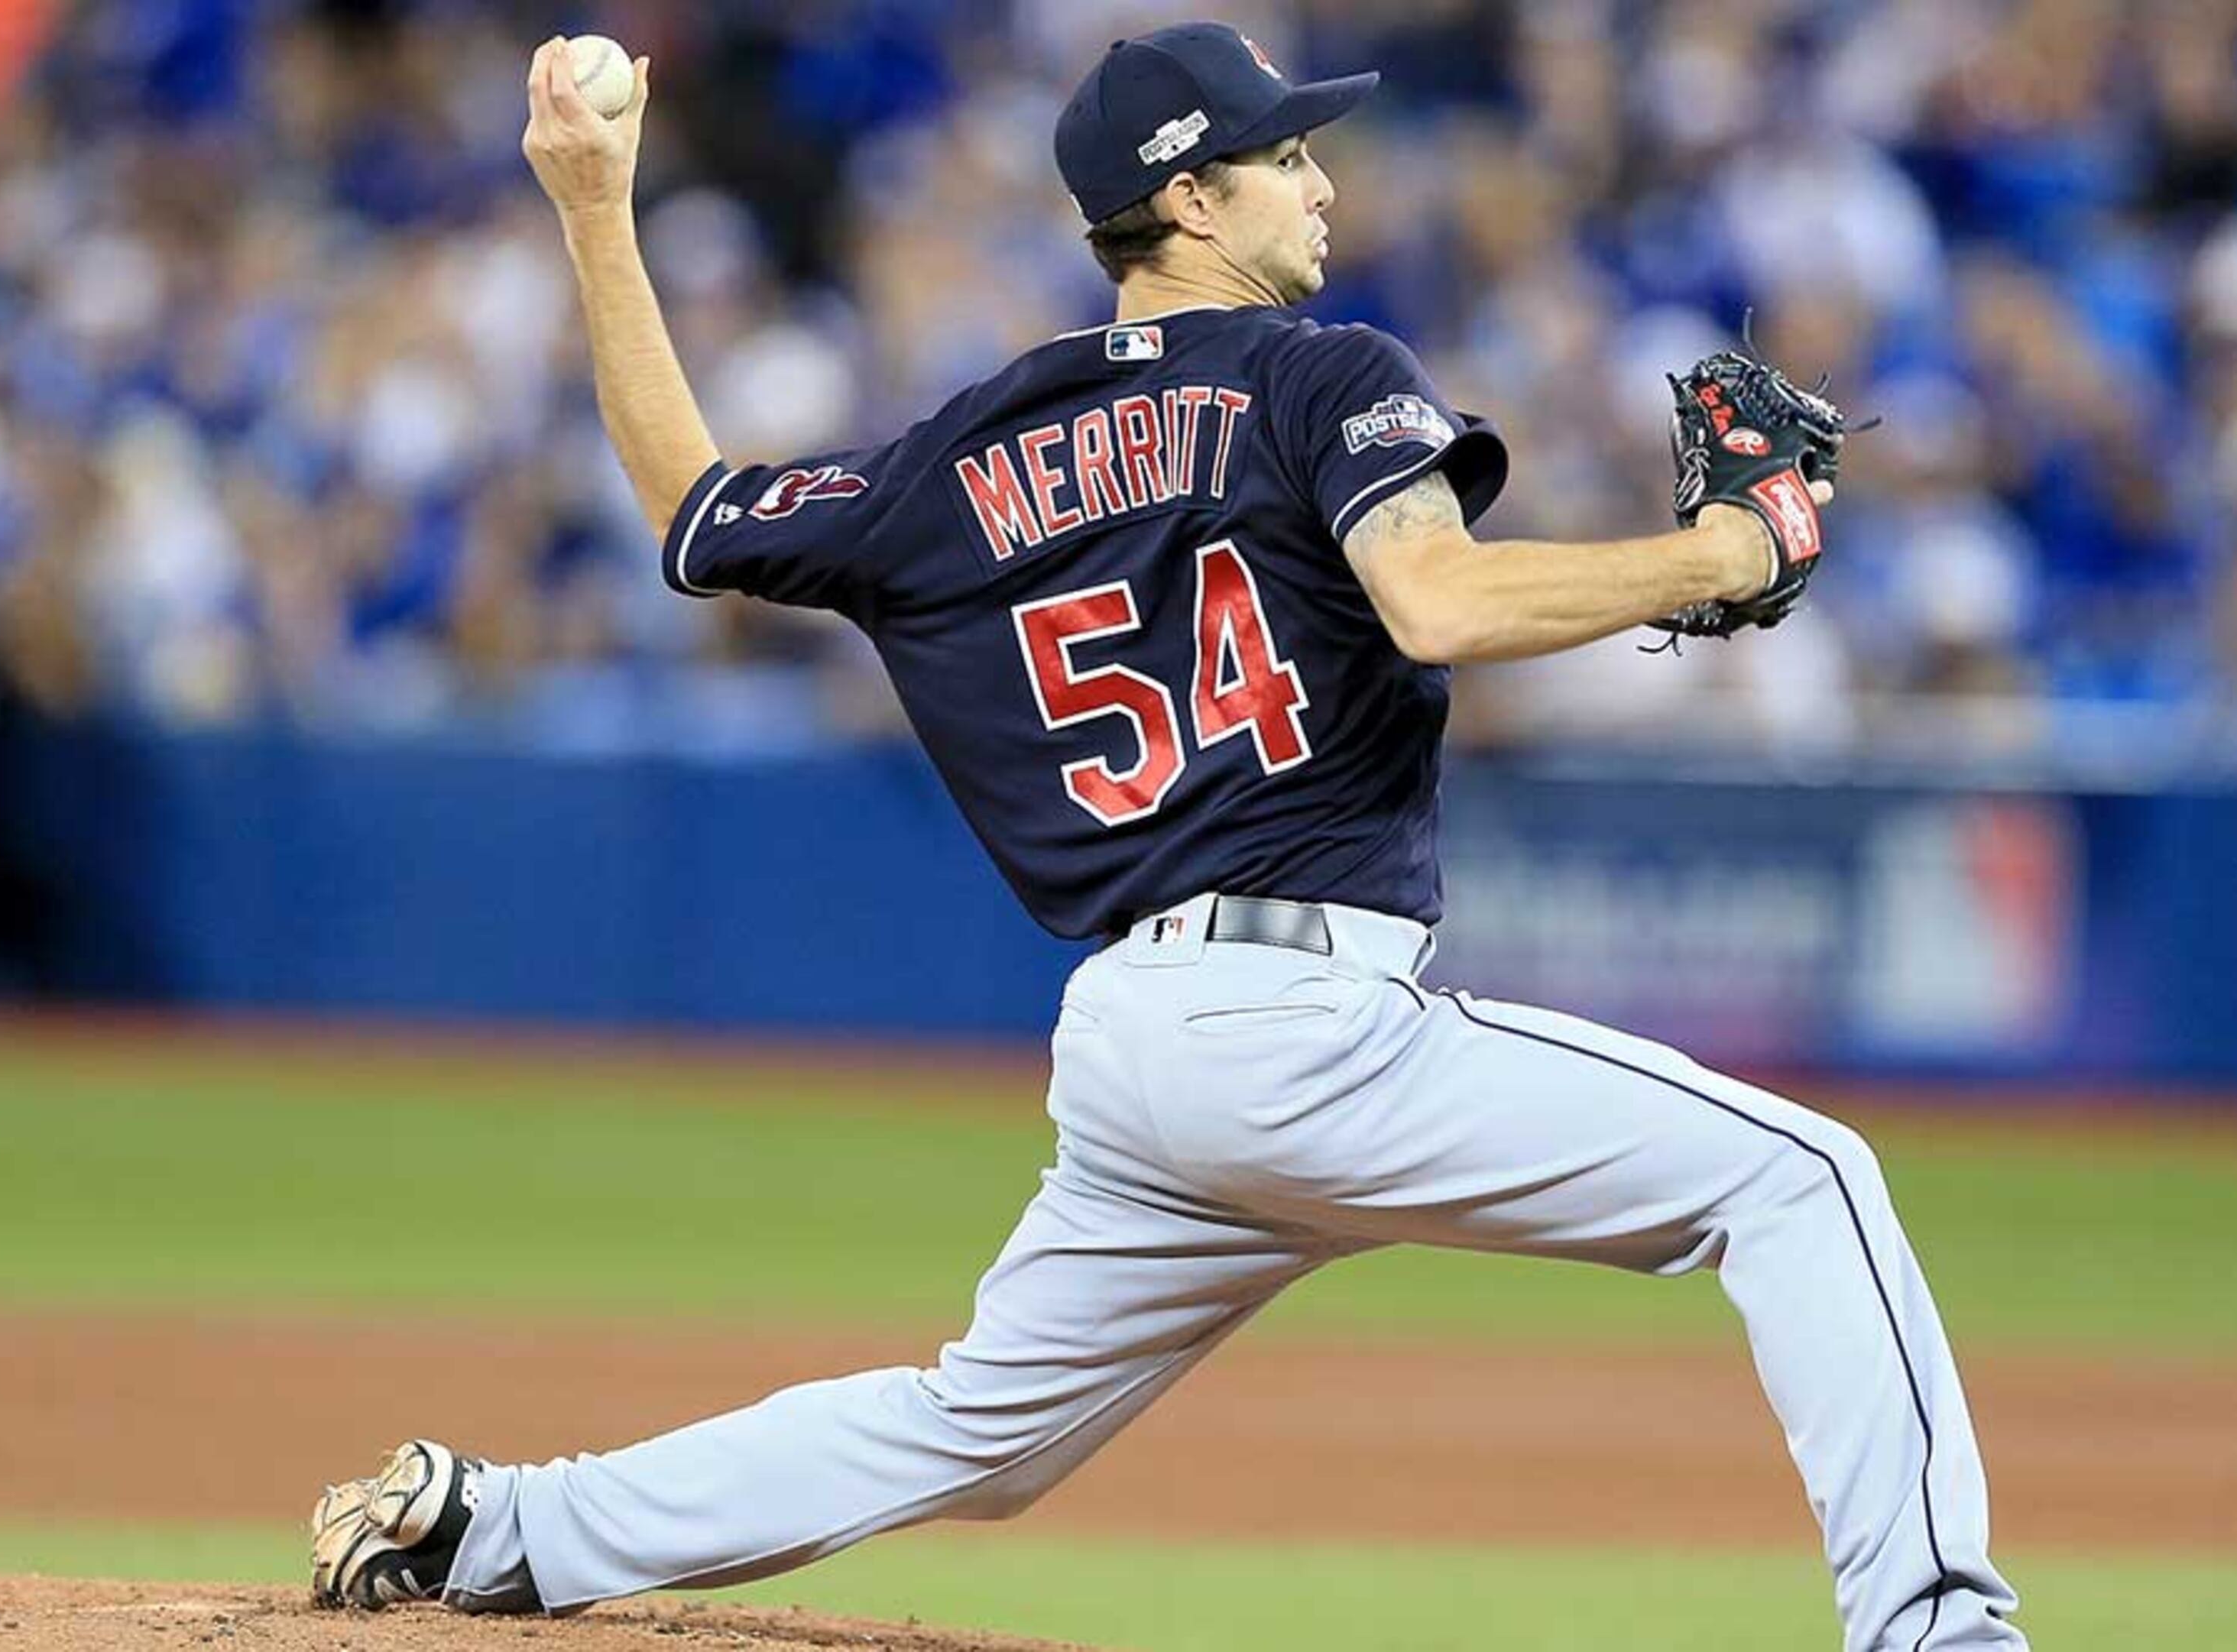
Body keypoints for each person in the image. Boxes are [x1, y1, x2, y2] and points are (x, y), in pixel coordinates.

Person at [308, 25, 2025, 1650]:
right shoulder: (1320, 374)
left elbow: (693, 509)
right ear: (1192, 195)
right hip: (1307, 1021)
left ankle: (503, 1529)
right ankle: (1945, 1629)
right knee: (1805, 1179)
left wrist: (594, 210)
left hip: (1137, 1045)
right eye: (1289, 157)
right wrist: (1722, 558)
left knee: (977, 1431)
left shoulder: (967, 448)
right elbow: (1434, 602)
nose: (1327, 185)